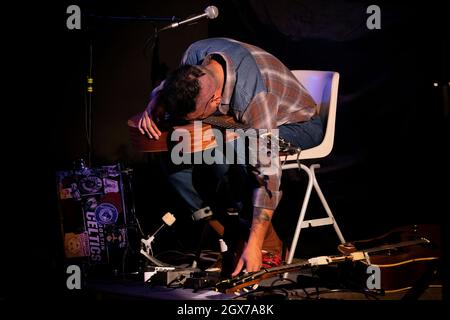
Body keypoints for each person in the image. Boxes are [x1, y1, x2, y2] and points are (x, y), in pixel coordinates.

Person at [138, 37, 323, 277]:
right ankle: (230, 233)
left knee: (233, 150)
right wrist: (154, 102)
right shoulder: (194, 54)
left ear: (215, 100)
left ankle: (264, 242)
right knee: (173, 157)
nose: (193, 123)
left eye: (196, 117)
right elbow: (169, 87)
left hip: (297, 124)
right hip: (240, 122)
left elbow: (268, 174)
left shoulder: (254, 98)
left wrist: (255, 243)